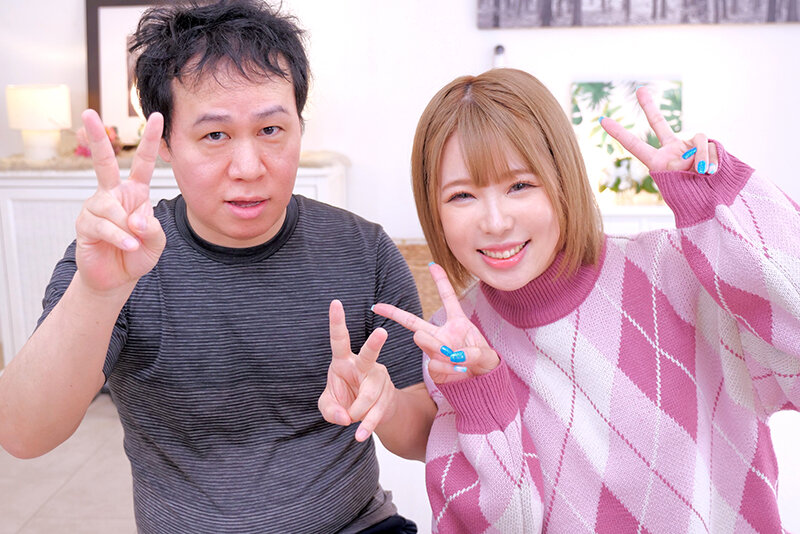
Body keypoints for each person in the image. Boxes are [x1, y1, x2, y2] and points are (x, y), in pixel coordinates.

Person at [0, 1, 435, 532]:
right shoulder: (120, 255)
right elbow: (23, 434)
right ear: (165, 144)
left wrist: (385, 401)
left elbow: (422, 437)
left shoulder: (363, 249)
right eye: (214, 135)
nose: (248, 168)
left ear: (299, 126)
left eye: (271, 130)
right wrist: (97, 293)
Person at [374, 68, 800, 533]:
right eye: (462, 195)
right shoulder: (456, 344)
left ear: (563, 178)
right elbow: (505, 526)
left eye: (519, 185)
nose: (495, 222)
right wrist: (479, 395)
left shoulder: (675, 271)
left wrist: (718, 202)